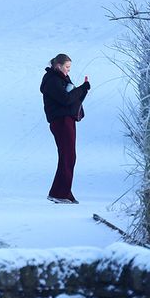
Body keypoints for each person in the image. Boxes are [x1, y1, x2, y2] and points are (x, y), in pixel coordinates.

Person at [40, 53, 91, 204]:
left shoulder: (60, 79)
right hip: (61, 121)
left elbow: (71, 99)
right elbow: (66, 99)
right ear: (58, 66)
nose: (69, 70)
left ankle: (63, 192)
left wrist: (83, 90)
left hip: (66, 120)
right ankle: (59, 193)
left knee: (68, 156)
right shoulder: (52, 80)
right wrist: (82, 89)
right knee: (67, 156)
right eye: (67, 67)